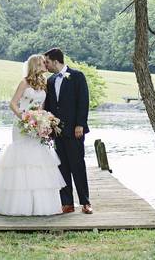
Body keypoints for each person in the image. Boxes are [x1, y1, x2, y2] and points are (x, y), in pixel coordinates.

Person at [0, 54, 66, 215]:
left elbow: (41, 107)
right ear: (36, 65)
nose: (46, 64)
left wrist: (43, 121)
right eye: (43, 63)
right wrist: (25, 117)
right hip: (22, 126)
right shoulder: (24, 83)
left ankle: (39, 205)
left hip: (38, 125)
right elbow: (13, 103)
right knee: (22, 160)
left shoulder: (44, 83)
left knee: (38, 161)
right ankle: (18, 205)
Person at [42, 47, 93, 214]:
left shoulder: (77, 76)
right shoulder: (49, 81)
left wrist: (80, 124)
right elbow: (49, 107)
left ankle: (85, 202)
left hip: (74, 130)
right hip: (57, 132)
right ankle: (67, 203)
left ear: (56, 61)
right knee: (62, 167)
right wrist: (48, 127)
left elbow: (83, 102)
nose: (46, 65)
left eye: (47, 62)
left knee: (77, 165)